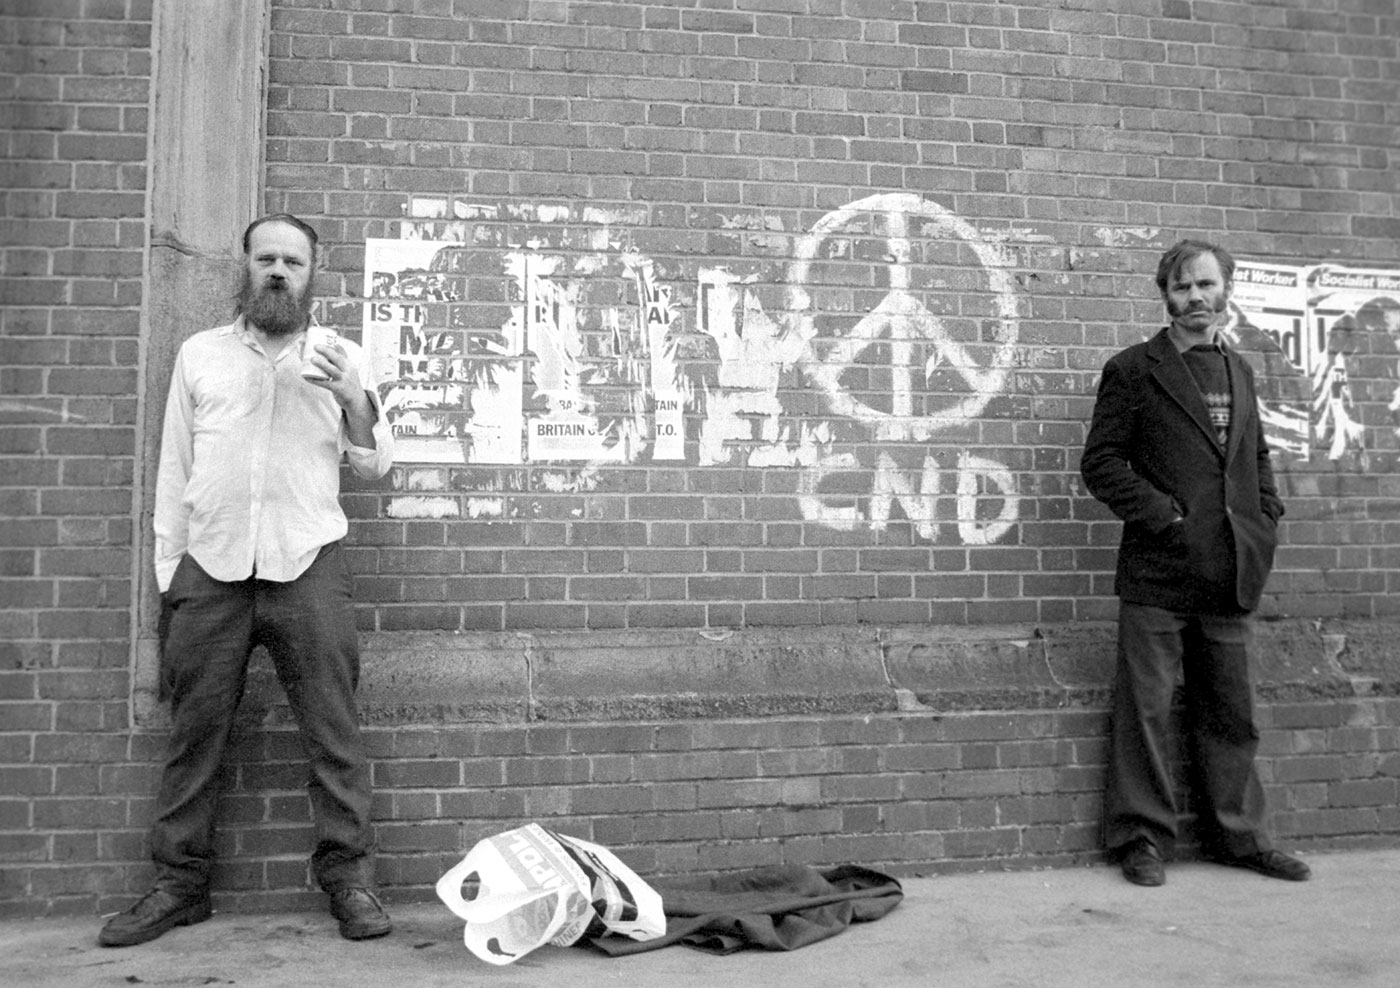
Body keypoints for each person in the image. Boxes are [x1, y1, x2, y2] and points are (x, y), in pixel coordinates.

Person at [100, 214, 396, 946]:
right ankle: (179, 885)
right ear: (245, 265)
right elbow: (174, 471)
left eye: (292, 262)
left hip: (308, 565)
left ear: (311, 273)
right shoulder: (200, 355)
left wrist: (356, 397)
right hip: (213, 568)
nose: (277, 271)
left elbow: (375, 465)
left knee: (334, 734)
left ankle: (350, 881)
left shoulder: (340, 356)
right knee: (194, 736)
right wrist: (174, 573)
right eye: (265, 258)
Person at [1080, 239, 1311, 888]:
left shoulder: (1239, 371)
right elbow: (1100, 464)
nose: (1195, 300)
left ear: (1225, 289)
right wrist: (1164, 516)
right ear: (1165, 296)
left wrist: (1266, 518)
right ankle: (1142, 841)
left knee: (1231, 715)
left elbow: (1256, 457)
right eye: (1182, 289)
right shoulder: (1132, 370)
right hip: (1157, 573)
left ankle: (1240, 838)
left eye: (1206, 286)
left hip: (1231, 570)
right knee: (1146, 712)